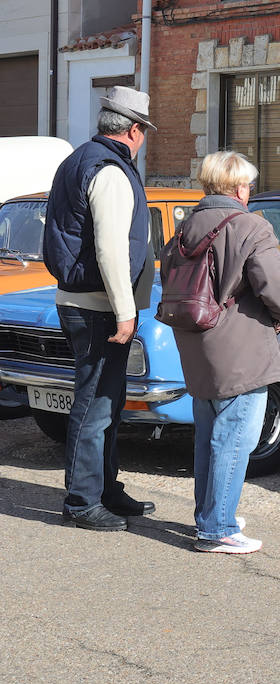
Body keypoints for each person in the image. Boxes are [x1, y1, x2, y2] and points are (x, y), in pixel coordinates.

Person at [162, 152, 280, 553]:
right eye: (249, 186)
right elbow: (279, 291)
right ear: (240, 188)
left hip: (197, 341)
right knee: (235, 438)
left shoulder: (186, 225)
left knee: (209, 436)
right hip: (241, 347)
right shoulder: (250, 226)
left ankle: (209, 515)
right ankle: (218, 527)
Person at [40, 86, 158, 531]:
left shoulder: (81, 159)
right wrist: (126, 311)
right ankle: (82, 501)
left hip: (84, 301)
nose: (143, 138)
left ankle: (105, 488)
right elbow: (110, 248)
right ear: (133, 130)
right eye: (143, 131)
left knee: (106, 400)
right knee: (94, 406)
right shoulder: (108, 170)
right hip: (97, 306)